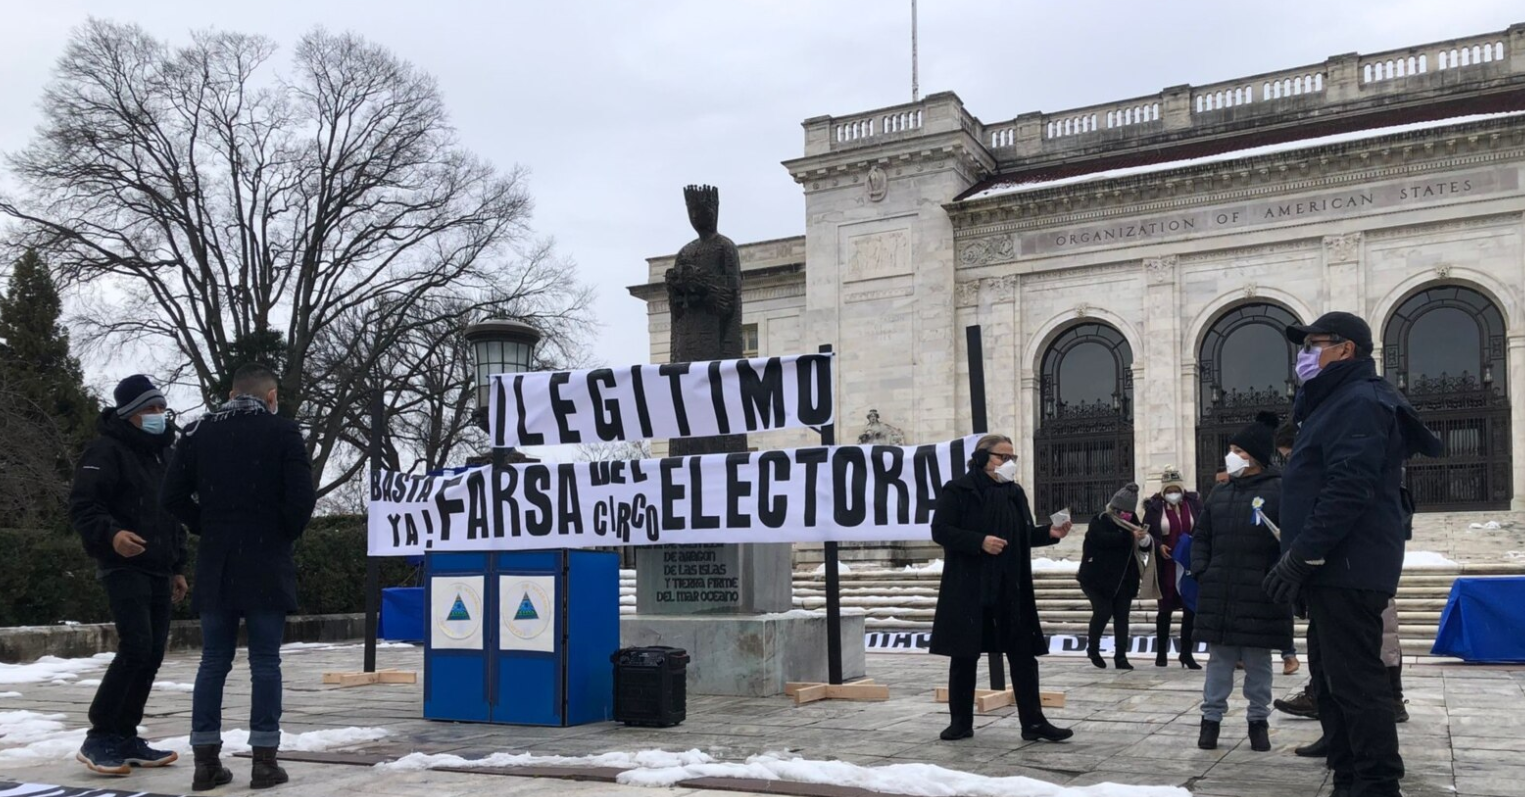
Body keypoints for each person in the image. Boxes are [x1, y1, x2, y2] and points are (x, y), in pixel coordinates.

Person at [1263, 312, 1441, 797]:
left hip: (1347, 567)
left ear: (1345, 349)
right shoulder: (1332, 400)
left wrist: (1303, 556)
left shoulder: (1360, 400)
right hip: (1332, 569)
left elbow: (1348, 487)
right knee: (1334, 684)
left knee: (1358, 685)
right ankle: (1348, 780)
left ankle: (1377, 785)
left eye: (1313, 344)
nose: (1304, 355)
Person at [162, 364, 317, 791]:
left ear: (231, 393)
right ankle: (265, 761)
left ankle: (205, 761)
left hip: (217, 560)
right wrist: (278, 532)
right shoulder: (283, 432)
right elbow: (302, 500)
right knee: (265, 662)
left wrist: (208, 525)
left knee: (214, 661)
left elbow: (170, 495)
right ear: (270, 397)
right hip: (266, 559)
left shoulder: (196, 433)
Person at [68, 376, 188, 776]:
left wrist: (178, 566)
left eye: (160, 408)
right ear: (129, 413)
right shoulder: (106, 450)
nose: (157, 416)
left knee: (152, 654)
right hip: (122, 564)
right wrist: (113, 534)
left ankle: (125, 734)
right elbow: (84, 506)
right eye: (149, 409)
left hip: (158, 566)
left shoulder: (164, 454)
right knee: (135, 647)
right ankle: (100, 734)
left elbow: (172, 513)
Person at [929, 434, 1075, 743]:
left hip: (1011, 587)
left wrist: (1049, 533)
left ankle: (1033, 722)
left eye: (1013, 458)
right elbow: (941, 530)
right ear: (982, 458)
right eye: (1002, 457)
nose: (1009, 464)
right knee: (964, 656)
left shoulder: (1014, 492)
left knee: (1023, 655)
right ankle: (960, 721)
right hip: (971, 587)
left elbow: (1021, 535)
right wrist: (979, 541)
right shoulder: (958, 490)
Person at [1191, 411, 1291, 753]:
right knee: (1219, 662)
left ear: (1256, 458)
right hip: (1220, 591)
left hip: (1261, 594)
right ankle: (1211, 721)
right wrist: (1203, 568)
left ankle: (1258, 721)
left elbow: (1289, 541)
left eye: (1239, 451)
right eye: (1231, 449)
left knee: (1258, 663)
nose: (1231, 456)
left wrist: (1277, 576)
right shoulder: (1220, 493)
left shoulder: (1279, 490)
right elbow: (1201, 535)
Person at [1077, 482, 1153, 670]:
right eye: (1120, 510)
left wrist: (1144, 539)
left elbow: (1145, 548)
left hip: (1125, 580)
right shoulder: (1101, 520)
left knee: (1122, 617)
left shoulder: (1135, 523)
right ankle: (1093, 649)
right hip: (1097, 579)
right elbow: (1103, 539)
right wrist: (1129, 537)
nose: (1124, 515)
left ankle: (1121, 656)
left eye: (1127, 511)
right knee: (1103, 612)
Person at [1141, 467, 1203, 669]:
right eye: (1169, 490)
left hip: (1187, 563)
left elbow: (1202, 527)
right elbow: (1146, 533)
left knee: (1190, 609)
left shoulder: (1193, 504)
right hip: (1166, 564)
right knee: (1165, 610)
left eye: (1176, 489)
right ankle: (1161, 653)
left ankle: (1186, 653)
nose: (1173, 493)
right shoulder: (1154, 508)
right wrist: (1159, 546)